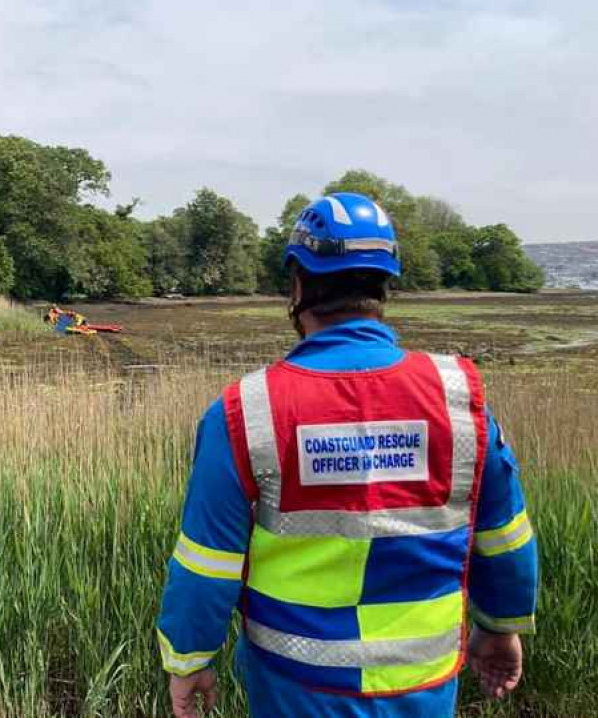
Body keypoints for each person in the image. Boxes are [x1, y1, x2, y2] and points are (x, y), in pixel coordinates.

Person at [156, 193, 538, 718]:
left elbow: (207, 562)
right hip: (421, 687)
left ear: (297, 287)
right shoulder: (457, 401)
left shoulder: (247, 410)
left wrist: (189, 659)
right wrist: (501, 626)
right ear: (385, 287)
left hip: (295, 685)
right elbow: (504, 535)